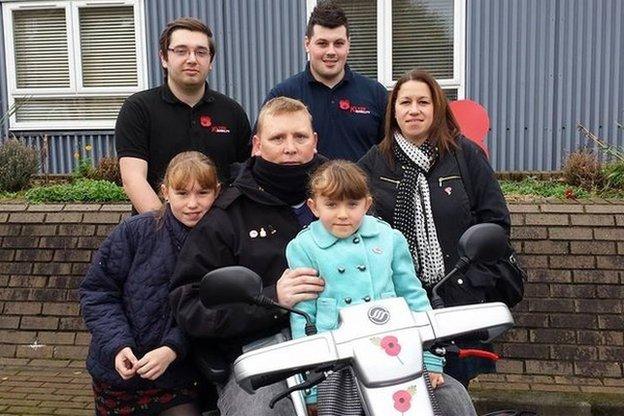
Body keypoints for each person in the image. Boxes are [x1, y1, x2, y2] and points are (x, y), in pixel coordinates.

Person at [170, 97, 477, 416]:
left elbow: (404, 282)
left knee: (450, 401)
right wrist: (271, 300)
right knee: (264, 411)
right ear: (257, 145)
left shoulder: (350, 193)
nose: (290, 147)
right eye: (278, 138)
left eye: (299, 137)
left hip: (374, 341)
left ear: (314, 142)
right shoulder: (227, 217)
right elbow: (189, 304)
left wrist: (423, 353)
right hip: (269, 350)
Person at [358, 69, 511, 387]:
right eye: (405, 102)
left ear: (437, 107)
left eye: (423, 102)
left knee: (451, 391)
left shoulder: (464, 155)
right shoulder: (375, 162)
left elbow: (495, 221)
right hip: (396, 308)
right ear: (393, 110)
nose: (414, 110)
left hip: (454, 303)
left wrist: (472, 279)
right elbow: (347, 218)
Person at [286, 160, 444, 416]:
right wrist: (311, 386)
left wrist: (431, 358)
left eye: (352, 204)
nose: (343, 214)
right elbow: (303, 316)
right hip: (335, 362)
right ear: (314, 207)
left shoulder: (390, 239)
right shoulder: (303, 247)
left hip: (394, 351)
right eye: (331, 204)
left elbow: (414, 296)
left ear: (367, 204)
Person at [80, 151, 221, 416]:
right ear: (165, 192)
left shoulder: (220, 242)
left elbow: (212, 307)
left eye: (202, 193)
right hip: (118, 373)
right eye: (182, 193)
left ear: (217, 192)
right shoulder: (134, 232)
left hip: (178, 374)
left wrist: (172, 349)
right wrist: (118, 345)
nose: (192, 204)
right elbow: (97, 292)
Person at [115, 17, 251, 214]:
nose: (192, 59)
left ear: (210, 61)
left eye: (201, 52)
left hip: (221, 237)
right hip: (157, 233)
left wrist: (220, 227)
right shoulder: (138, 109)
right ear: (163, 57)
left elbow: (244, 177)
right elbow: (133, 179)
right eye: (181, 51)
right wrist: (166, 231)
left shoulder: (232, 112)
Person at [260, 1, 387, 162]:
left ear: (349, 44)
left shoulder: (375, 94)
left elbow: (390, 155)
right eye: (322, 44)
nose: (331, 52)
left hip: (362, 188)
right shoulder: (283, 94)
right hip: (301, 188)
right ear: (307, 44)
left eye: (338, 44)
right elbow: (260, 153)